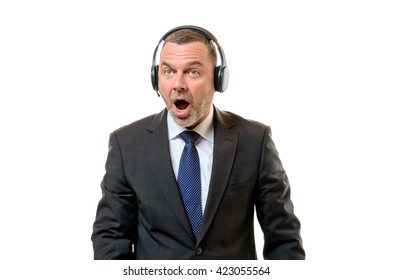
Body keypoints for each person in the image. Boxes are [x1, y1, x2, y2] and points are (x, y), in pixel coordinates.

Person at [91, 25, 305, 260]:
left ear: (218, 79)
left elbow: (284, 240)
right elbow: (110, 239)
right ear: (155, 77)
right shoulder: (126, 145)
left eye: (192, 72)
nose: (178, 84)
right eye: (168, 71)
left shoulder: (254, 141)